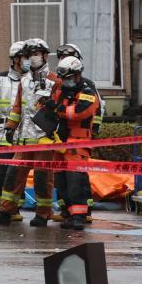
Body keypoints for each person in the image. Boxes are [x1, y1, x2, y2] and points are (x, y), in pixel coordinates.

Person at [0, 38, 54, 226]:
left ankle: (42, 214)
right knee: (13, 175)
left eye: (35, 54)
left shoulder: (54, 81)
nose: (31, 58)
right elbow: (18, 108)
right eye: (28, 54)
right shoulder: (24, 81)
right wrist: (10, 126)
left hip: (44, 140)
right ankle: (5, 211)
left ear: (45, 56)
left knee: (43, 178)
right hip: (24, 139)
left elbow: (60, 111)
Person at [45, 56, 98, 231]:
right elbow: (52, 107)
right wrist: (48, 106)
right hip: (60, 142)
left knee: (76, 182)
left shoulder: (88, 93)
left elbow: (78, 113)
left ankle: (79, 217)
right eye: (64, 78)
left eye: (69, 78)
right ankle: (68, 212)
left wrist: (57, 109)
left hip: (78, 144)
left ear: (77, 75)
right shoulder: (61, 91)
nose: (66, 81)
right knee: (61, 181)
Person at [0, 41, 27, 219]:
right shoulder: (0, 80)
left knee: (17, 172)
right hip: (0, 133)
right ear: (15, 58)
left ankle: (12, 208)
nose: (27, 61)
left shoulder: (32, 81)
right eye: (24, 57)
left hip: (24, 134)